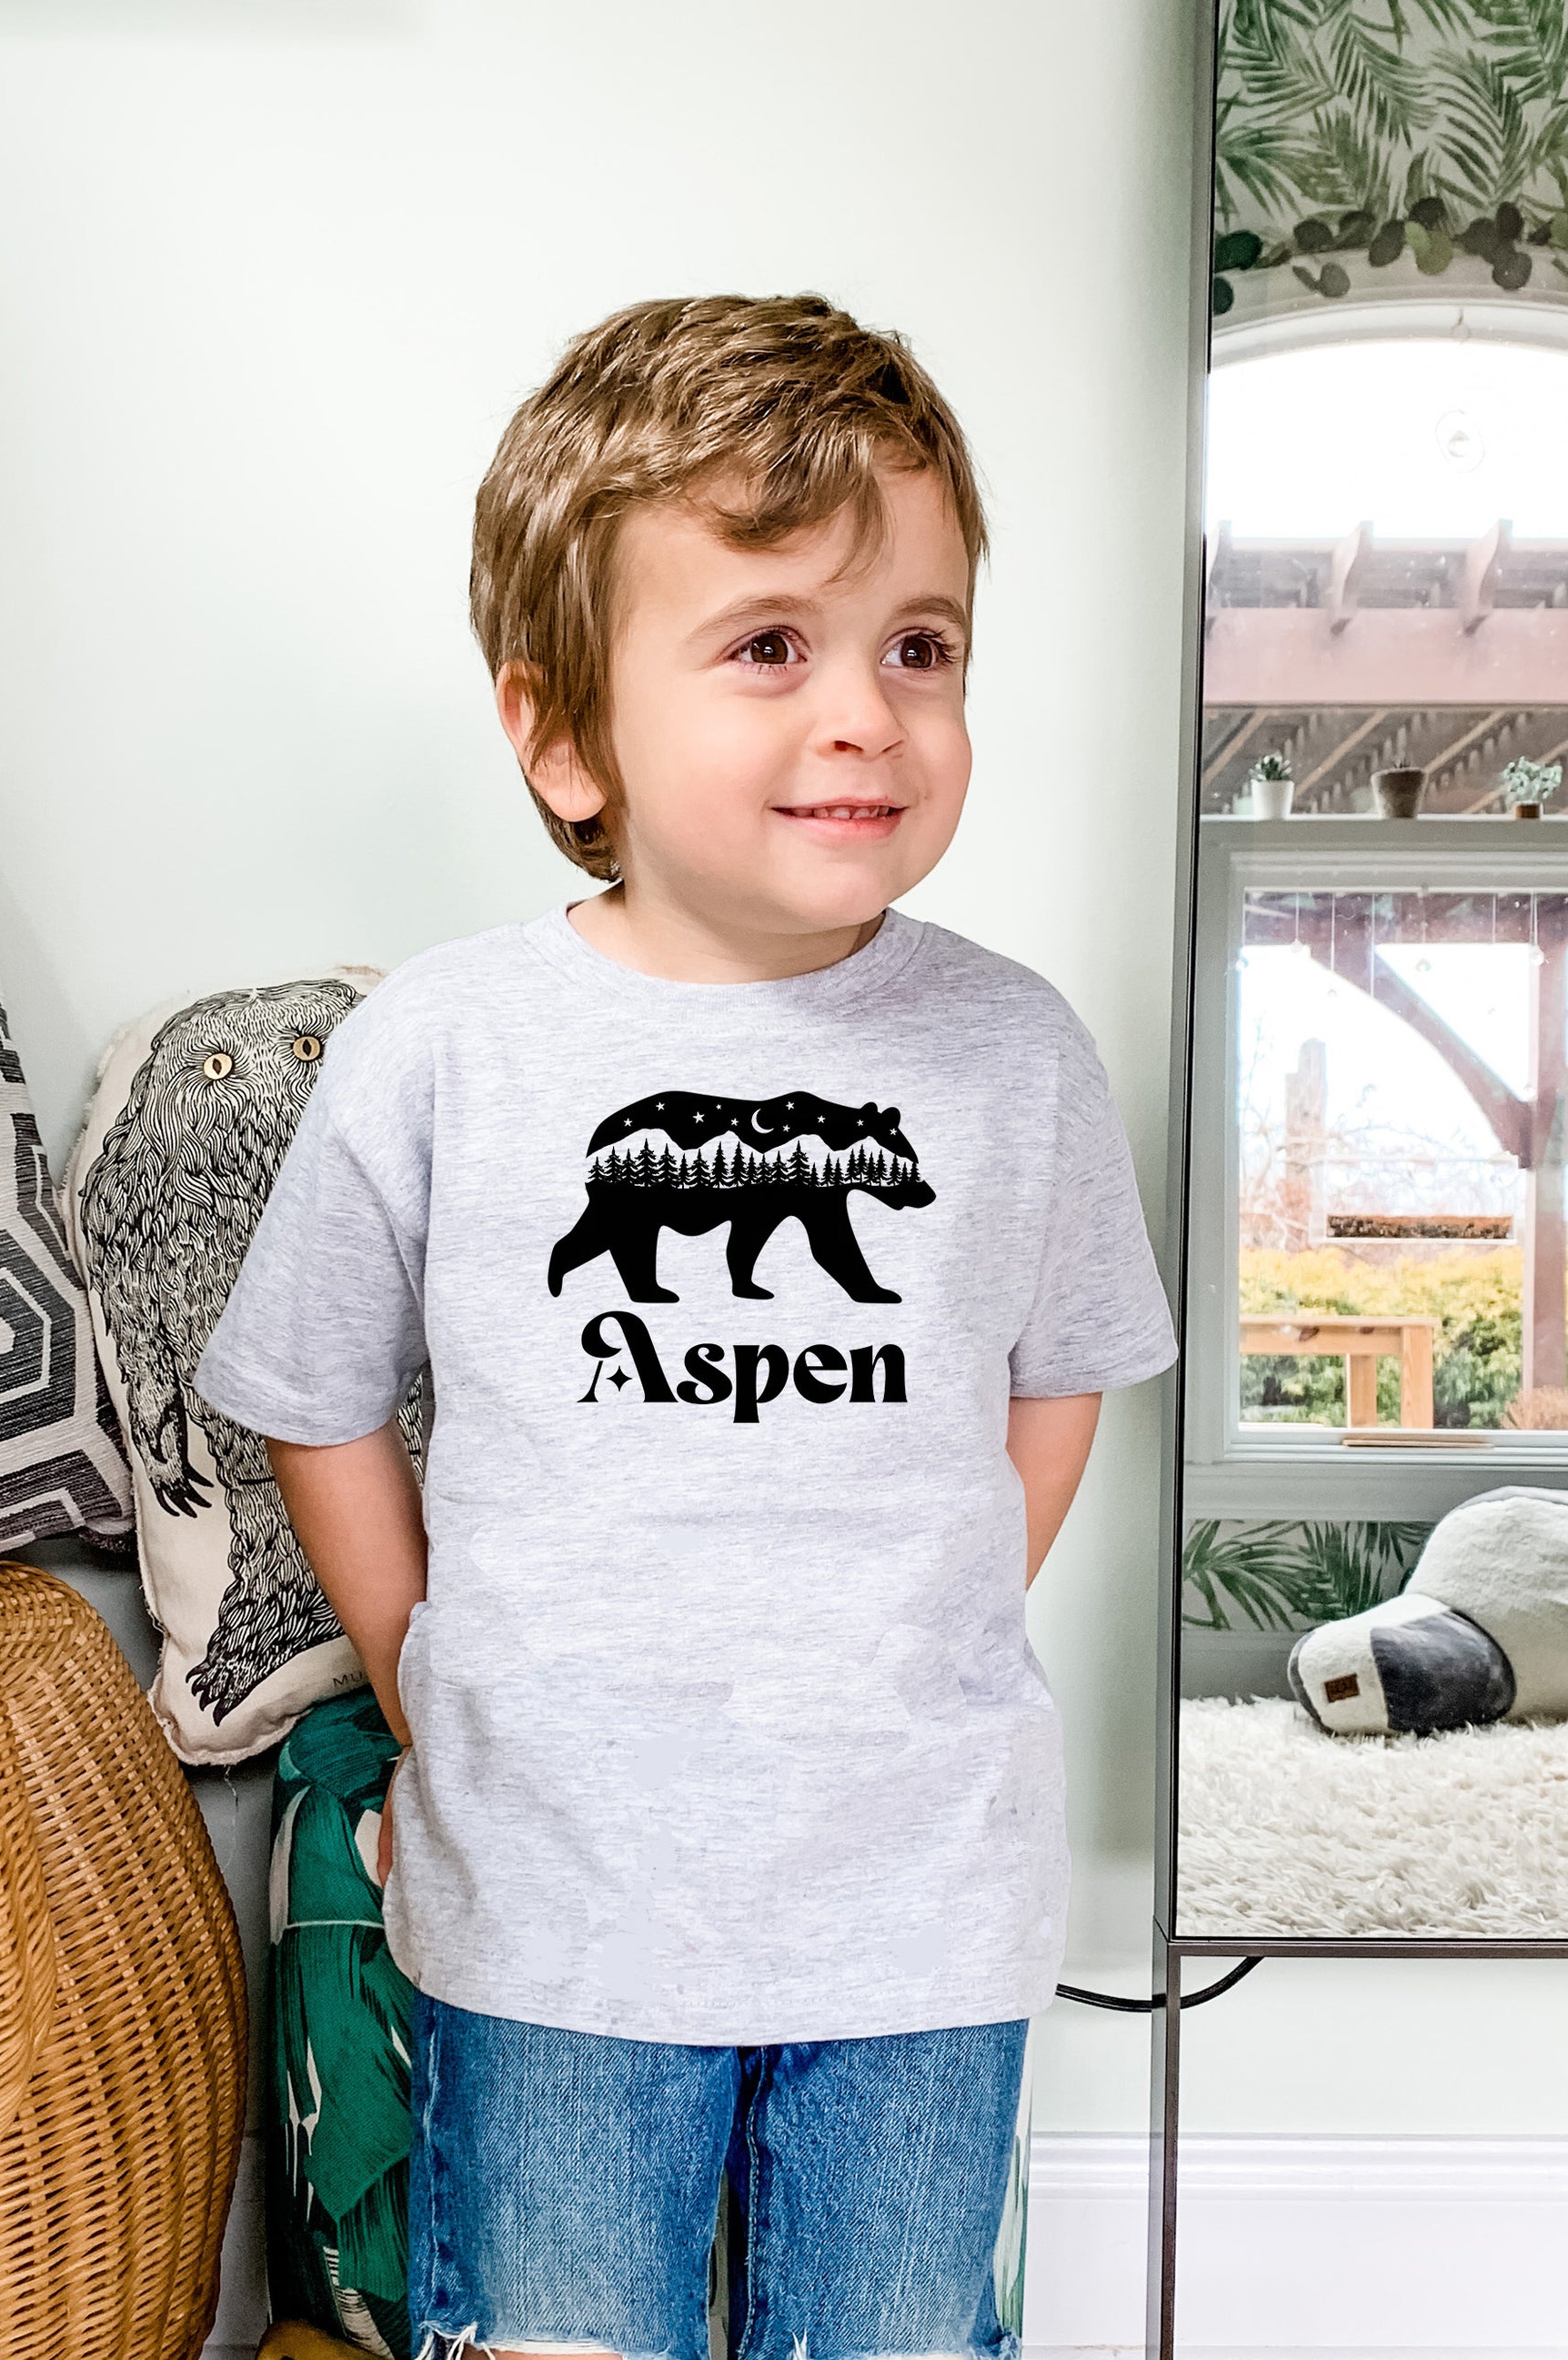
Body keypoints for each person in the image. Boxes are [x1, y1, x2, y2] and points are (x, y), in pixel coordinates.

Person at [196, 292, 1176, 2360]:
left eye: (918, 642)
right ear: (563, 733)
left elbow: (1059, 1360)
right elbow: (308, 1390)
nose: (868, 713)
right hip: (550, 1892)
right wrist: (421, 1656)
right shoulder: (448, 1045)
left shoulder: (1011, 1052)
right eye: (768, 645)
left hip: (917, 1903)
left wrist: (934, 1589)